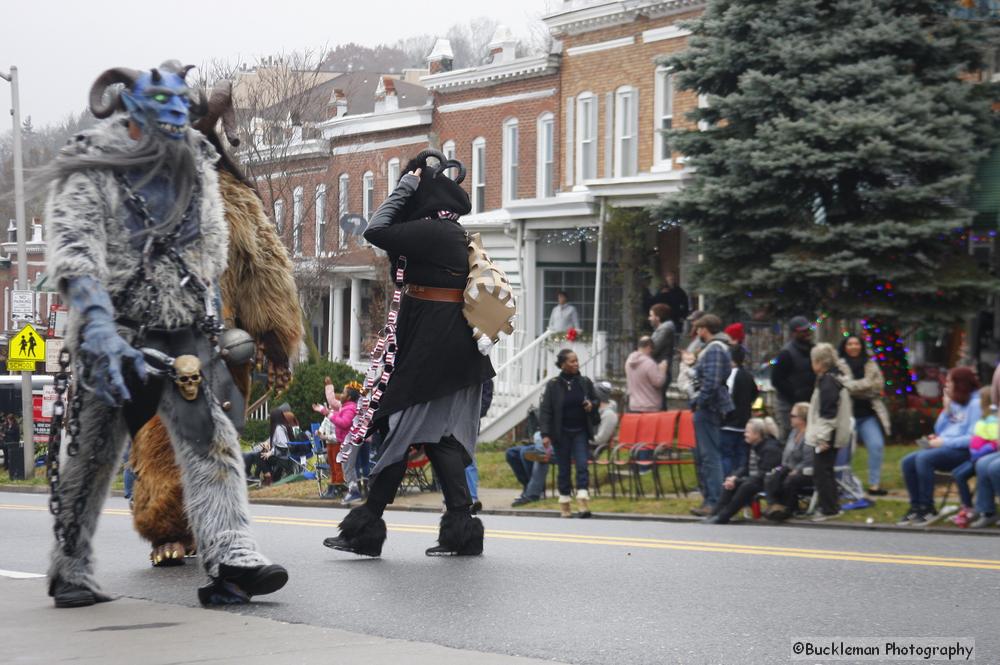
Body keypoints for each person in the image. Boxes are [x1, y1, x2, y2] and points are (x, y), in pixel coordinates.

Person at [43, 62, 286, 608]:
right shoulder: (89, 166)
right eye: (164, 123)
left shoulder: (196, 164)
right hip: (114, 331)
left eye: (182, 124)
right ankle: (70, 565)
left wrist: (212, 320)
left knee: (212, 440)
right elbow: (74, 250)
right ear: (132, 115)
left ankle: (231, 557)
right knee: (92, 454)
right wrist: (99, 326)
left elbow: (211, 247)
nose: (175, 136)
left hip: (183, 332)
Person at [125, 79, 303, 570]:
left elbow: (263, 268)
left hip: (219, 342)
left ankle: (228, 548)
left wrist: (273, 337)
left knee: (214, 444)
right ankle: (168, 528)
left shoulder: (234, 196)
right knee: (159, 443)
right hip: (155, 338)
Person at [323, 150, 494, 558]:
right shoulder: (447, 232)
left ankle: (365, 528)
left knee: (402, 436)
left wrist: (404, 188)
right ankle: (461, 533)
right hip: (447, 353)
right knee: (438, 441)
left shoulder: (436, 233)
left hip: (433, 355)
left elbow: (377, 229)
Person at [898, 367, 981, 526]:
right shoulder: (956, 402)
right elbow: (940, 430)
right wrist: (946, 409)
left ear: (960, 383)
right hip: (945, 447)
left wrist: (944, 442)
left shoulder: (975, 404)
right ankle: (915, 506)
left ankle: (927, 507)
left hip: (964, 452)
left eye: (949, 381)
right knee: (907, 461)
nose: (946, 385)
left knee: (924, 458)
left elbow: (973, 439)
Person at [539, 349, 601, 518]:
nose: (576, 364)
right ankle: (565, 503)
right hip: (561, 433)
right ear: (563, 364)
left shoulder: (584, 382)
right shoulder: (553, 385)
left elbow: (596, 400)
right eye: (572, 361)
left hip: (580, 431)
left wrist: (591, 405)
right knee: (564, 469)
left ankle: (583, 503)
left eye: (577, 360)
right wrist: (545, 434)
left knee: (582, 465)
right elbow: (546, 411)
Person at [688, 314, 735, 517]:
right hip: (706, 407)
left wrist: (700, 402)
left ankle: (715, 501)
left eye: (698, 329)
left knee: (710, 456)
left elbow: (712, 381)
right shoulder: (714, 348)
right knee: (704, 455)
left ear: (705, 329)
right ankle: (709, 499)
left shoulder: (715, 348)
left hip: (709, 408)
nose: (697, 333)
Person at [837, 334, 891, 495]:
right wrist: (865, 387)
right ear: (845, 347)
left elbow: (878, 386)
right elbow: (843, 386)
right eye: (850, 344)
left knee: (876, 445)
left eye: (856, 343)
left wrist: (854, 387)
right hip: (847, 416)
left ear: (861, 346)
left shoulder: (871, 364)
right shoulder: (838, 365)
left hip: (868, 414)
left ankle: (874, 485)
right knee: (844, 452)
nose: (853, 347)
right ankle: (844, 484)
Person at [702, 418, 782, 524]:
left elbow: (765, 473)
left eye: (747, 432)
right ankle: (714, 514)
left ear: (757, 434)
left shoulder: (770, 449)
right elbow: (745, 467)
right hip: (754, 480)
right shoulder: (752, 446)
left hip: (768, 481)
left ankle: (723, 516)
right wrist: (734, 477)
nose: (745, 434)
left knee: (746, 486)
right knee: (730, 484)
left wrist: (741, 480)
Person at [805, 343, 853, 522]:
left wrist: (822, 438)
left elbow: (828, 412)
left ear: (818, 362)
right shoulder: (835, 378)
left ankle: (829, 508)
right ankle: (832, 506)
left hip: (828, 435)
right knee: (826, 471)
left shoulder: (828, 382)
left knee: (822, 472)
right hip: (834, 432)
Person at [950, 387, 997, 527]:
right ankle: (973, 507)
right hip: (975, 456)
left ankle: (981, 509)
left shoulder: (993, 418)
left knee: (980, 468)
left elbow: (994, 439)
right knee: (958, 474)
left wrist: (984, 450)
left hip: (983, 454)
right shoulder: (984, 417)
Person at [764, 402, 814, 520]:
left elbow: (809, 459)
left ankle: (789, 509)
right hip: (790, 467)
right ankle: (774, 505)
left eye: (793, 416)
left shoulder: (810, 436)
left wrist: (797, 469)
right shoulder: (793, 432)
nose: (790, 418)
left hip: (807, 471)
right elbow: (786, 455)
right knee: (772, 476)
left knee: (790, 480)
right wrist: (784, 467)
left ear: (803, 418)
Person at [314, 382, 362, 503]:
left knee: (347, 468)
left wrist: (327, 413)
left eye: (344, 392)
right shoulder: (346, 407)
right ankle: (354, 491)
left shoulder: (350, 408)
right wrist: (323, 410)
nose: (341, 394)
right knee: (348, 468)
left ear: (349, 397)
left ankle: (354, 492)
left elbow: (344, 422)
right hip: (347, 441)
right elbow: (337, 415)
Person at [771, 316, 816, 441]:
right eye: (803, 331)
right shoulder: (786, 353)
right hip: (789, 405)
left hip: (809, 403)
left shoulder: (813, 349)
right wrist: (796, 394)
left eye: (808, 330)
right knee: (790, 437)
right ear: (794, 333)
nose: (807, 333)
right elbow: (777, 380)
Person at [720, 345, 759, 477]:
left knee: (727, 455)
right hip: (744, 423)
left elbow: (726, 395)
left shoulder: (729, 375)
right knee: (742, 456)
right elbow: (755, 393)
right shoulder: (748, 376)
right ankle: (740, 479)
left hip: (729, 423)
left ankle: (727, 480)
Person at [244, 409, 292, 482]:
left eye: (271, 417)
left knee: (259, 456)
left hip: (282, 457)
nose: (270, 419)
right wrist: (268, 446)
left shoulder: (279, 429)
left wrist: (270, 452)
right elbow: (277, 443)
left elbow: (284, 446)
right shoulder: (282, 427)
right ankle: (266, 476)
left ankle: (267, 476)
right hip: (282, 455)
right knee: (262, 454)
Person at [508, 431, 552, 507]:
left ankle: (534, 491)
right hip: (539, 443)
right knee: (511, 453)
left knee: (527, 452)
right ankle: (528, 487)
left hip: (552, 445)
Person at [625, 337, 668, 413]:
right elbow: (658, 382)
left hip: (633, 406)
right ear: (648, 347)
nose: (651, 352)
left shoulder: (628, 361)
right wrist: (662, 370)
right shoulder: (650, 363)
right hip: (649, 407)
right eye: (652, 349)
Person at [649, 304, 675, 385]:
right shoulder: (660, 330)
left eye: (651, 315)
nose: (649, 318)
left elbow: (653, 348)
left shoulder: (664, 330)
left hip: (659, 369)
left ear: (658, 317)